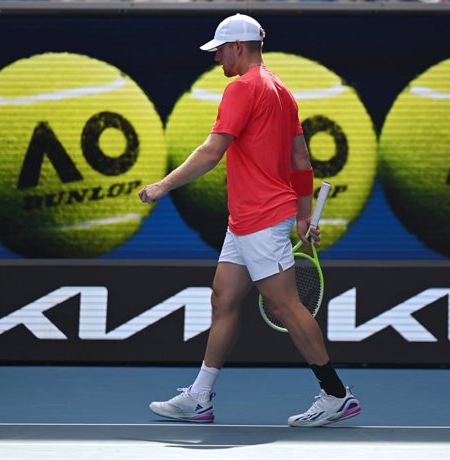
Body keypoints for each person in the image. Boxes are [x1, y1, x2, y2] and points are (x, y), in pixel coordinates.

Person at [138, 13, 361, 428]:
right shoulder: (281, 91)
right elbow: (300, 160)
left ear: (238, 47)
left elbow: (211, 150)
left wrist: (163, 185)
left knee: (286, 304)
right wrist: (304, 213)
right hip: (245, 219)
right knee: (223, 299)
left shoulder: (242, 88)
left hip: (261, 217)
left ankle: (335, 394)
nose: (217, 57)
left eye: (220, 50)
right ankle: (200, 397)